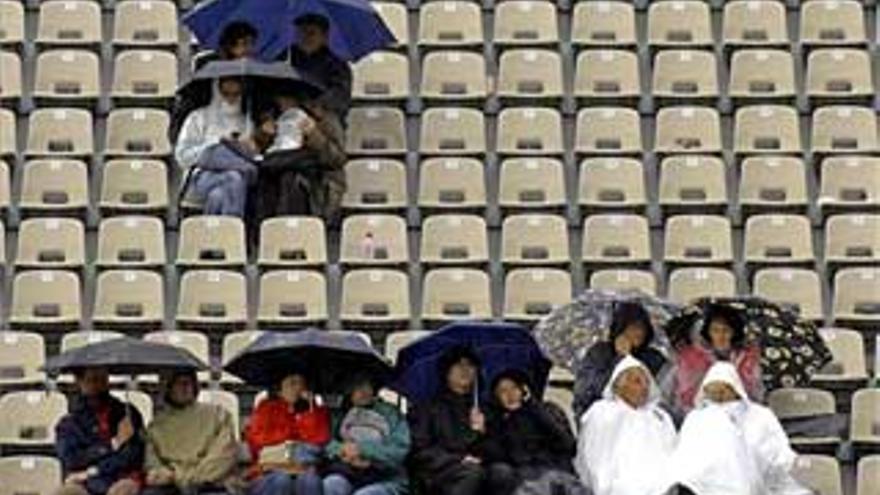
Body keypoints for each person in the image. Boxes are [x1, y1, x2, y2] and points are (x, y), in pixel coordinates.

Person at [667, 362, 811, 495]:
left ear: (735, 388)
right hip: (704, 481)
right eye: (713, 391)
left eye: (723, 390)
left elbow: (775, 448)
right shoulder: (697, 417)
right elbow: (686, 454)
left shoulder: (759, 414)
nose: (718, 396)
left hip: (755, 475)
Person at [575, 356, 677, 495]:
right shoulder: (603, 412)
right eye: (637, 381)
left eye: (647, 381)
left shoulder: (659, 416)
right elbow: (595, 458)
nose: (645, 387)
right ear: (619, 386)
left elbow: (672, 453)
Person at [408, 347, 500, 495]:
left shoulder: (485, 408)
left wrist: (483, 431)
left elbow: (499, 450)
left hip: (478, 467)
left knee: (502, 473)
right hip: (439, 471)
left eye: (470, 365)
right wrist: (460, 459)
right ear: (447, 372)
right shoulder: (428, 408)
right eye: (458, 365)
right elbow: (420, 449)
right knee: (472, 474)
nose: (465, 369)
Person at [482, 370, 585, 495]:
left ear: (523, 389)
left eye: (514, 388)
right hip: (526, 480)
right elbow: (496, 457)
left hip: (556, 473)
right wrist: (484, 430)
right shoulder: (497, 421)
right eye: (502, 391)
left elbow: (569, 445)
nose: (510, 394)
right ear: (496, 397)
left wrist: (534, 407)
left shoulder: (546, 410)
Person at [143, 370, 240, 495]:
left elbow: (223, 457)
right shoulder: (156, 426)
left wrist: (182, 478)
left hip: (212, 484)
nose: (185, 387)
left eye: (188, 382)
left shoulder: (218, 415)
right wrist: (165, 475)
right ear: (168, 388)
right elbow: (152, 464)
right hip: (170, 486)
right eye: (178, 383)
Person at [176, 77, 260, 218]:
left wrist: (247, 147)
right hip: (201, 176)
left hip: (236, 179)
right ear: (217, 91)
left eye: (236, 94)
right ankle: (234, 232)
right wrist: (216, 143)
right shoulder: (198, 117)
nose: (231, 98)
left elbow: (254, 156)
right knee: (234, 177)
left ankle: (217, 235)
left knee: (219, 196)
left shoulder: (247, 122)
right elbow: (182, 155)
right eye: (226, 93)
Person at [255, 96, 346, 225]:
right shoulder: (269, 117)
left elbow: (337, 159)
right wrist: (263, 135)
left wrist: (314, 135)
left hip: (316, 183)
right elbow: (257, 154)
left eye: (288, 97)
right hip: (273, 179)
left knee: (290, 177)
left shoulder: (325, 119)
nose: (284, 102)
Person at [54, 368, 145, 495]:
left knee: (123, 490)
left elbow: (131, 456)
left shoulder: (127, 414)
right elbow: (71, 459)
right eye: (93, 380)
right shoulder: (69, 423)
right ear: (79, 382)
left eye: (103, 380)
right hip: (84, 482)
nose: (100, 386)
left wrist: (94, 470)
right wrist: (113, 444)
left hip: (121, 478)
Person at [573, 302, 668, 419]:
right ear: (620, 328)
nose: (639, 333)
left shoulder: (654, 357)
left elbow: (662, 393)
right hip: (605, 420)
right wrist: (620, 360)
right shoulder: (599, 353)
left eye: (642, 327)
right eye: (633, 327)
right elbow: (586, 392)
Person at [322, 373, 411, 495]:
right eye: (357, 386)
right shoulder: (339, 415)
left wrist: (363, 451)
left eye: (367, 385)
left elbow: (399, 449)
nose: (364, 391)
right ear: (348, 391)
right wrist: (343, 450)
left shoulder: (391, 413)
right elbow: (327, 443)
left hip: (384, 476)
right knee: (331, 485)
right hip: (348, 472)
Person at [170, 22, 258, 141]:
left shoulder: (255, 77)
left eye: (252, 44)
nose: (249, 50)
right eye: (244, 44)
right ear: (229, 46)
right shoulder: (206, 76)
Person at [244, 373, 329, 495]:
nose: (298, 388)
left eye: (301, 384)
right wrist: (292, 433)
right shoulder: (266, 408)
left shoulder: (315, 410)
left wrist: (308, 412)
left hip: (303, 468)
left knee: (311, 481)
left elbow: (319, 439)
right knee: (281, 480)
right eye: (292, 383)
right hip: (270, 469)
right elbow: (258, 441)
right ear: (280, 390)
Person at [671, 305, 763, 416]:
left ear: (734, 333)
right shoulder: (690, 358)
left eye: (726, 331)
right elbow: (685, 396)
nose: (721, 336)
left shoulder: (747, 359)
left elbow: (754, 394)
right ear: (708, 332)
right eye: (715, 330)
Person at [286, 14, 352, 119]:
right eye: (300, 33)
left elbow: (340, 95)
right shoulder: (286, 57)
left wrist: (317, 104)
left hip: (323, 116)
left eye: (311, 33)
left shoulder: (337, 64)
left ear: (324, 37)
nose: (305, 37)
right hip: (288, 114)